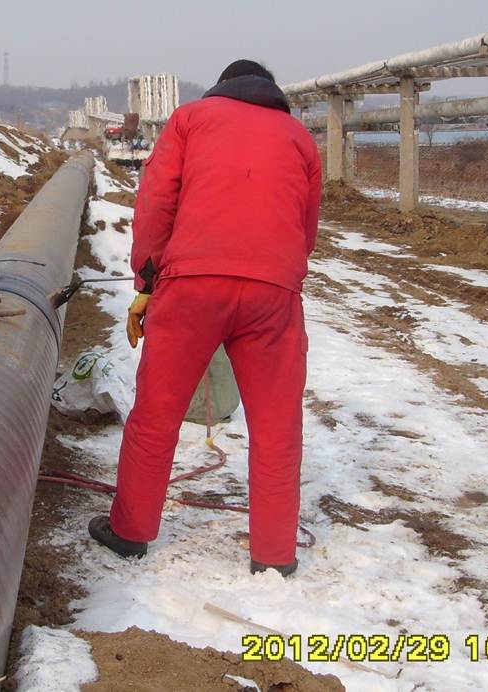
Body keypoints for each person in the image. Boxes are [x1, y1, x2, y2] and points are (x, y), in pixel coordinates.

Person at [88, 60, 321, 576]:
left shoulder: (191, 120)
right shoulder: (300, 139)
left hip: (191, 286)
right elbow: (306, 230)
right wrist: (277, 277)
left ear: (224, 87)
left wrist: (147, 283)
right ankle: (274, 556)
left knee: (157, 414)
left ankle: (130, 532)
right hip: (274, 295)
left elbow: (156, 203)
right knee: (277, 427)